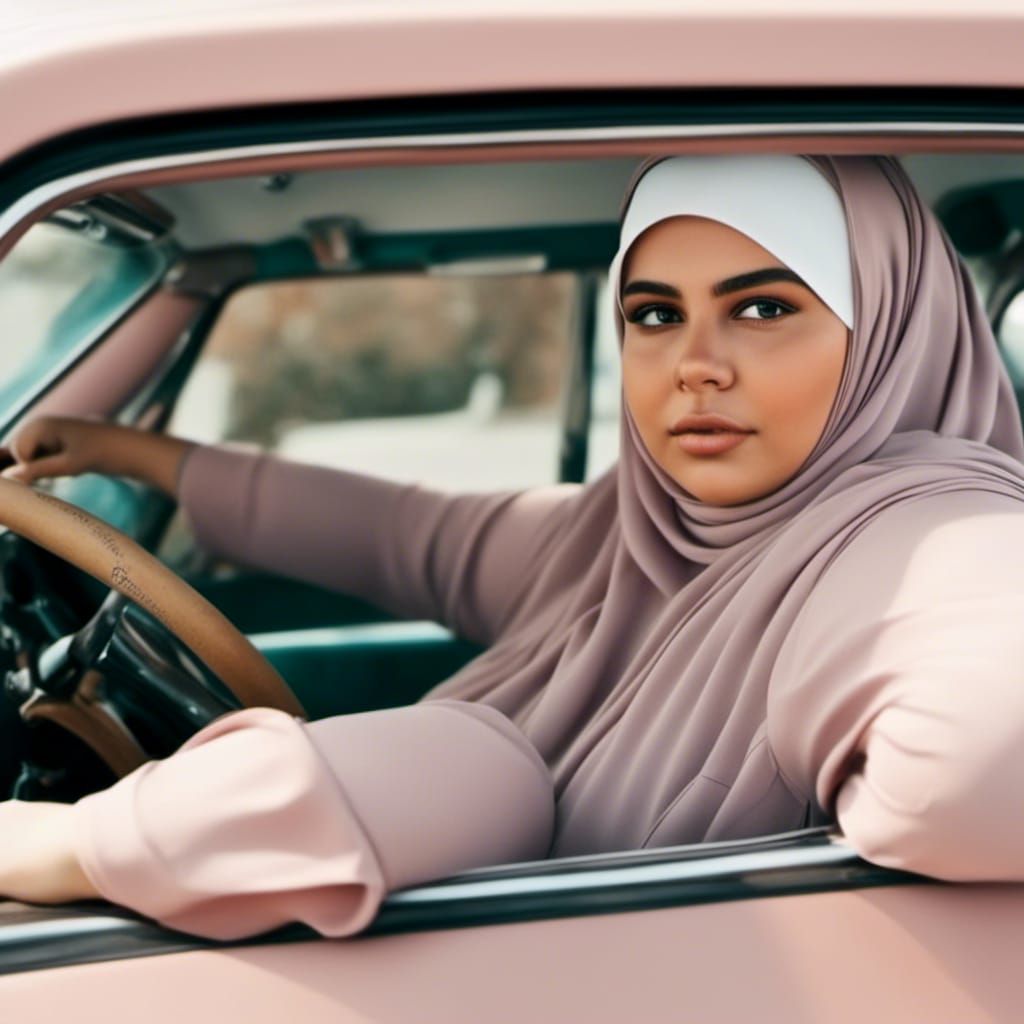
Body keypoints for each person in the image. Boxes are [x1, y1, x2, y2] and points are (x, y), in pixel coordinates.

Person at [2, 153, 1024, 940]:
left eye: (763, 308)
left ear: (888, 326)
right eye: (654, 314)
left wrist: (76, 844)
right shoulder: (638, 529)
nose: (695, 366)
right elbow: (419, 537)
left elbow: (992, 749)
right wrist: (141, 455)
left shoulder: (915, 522)